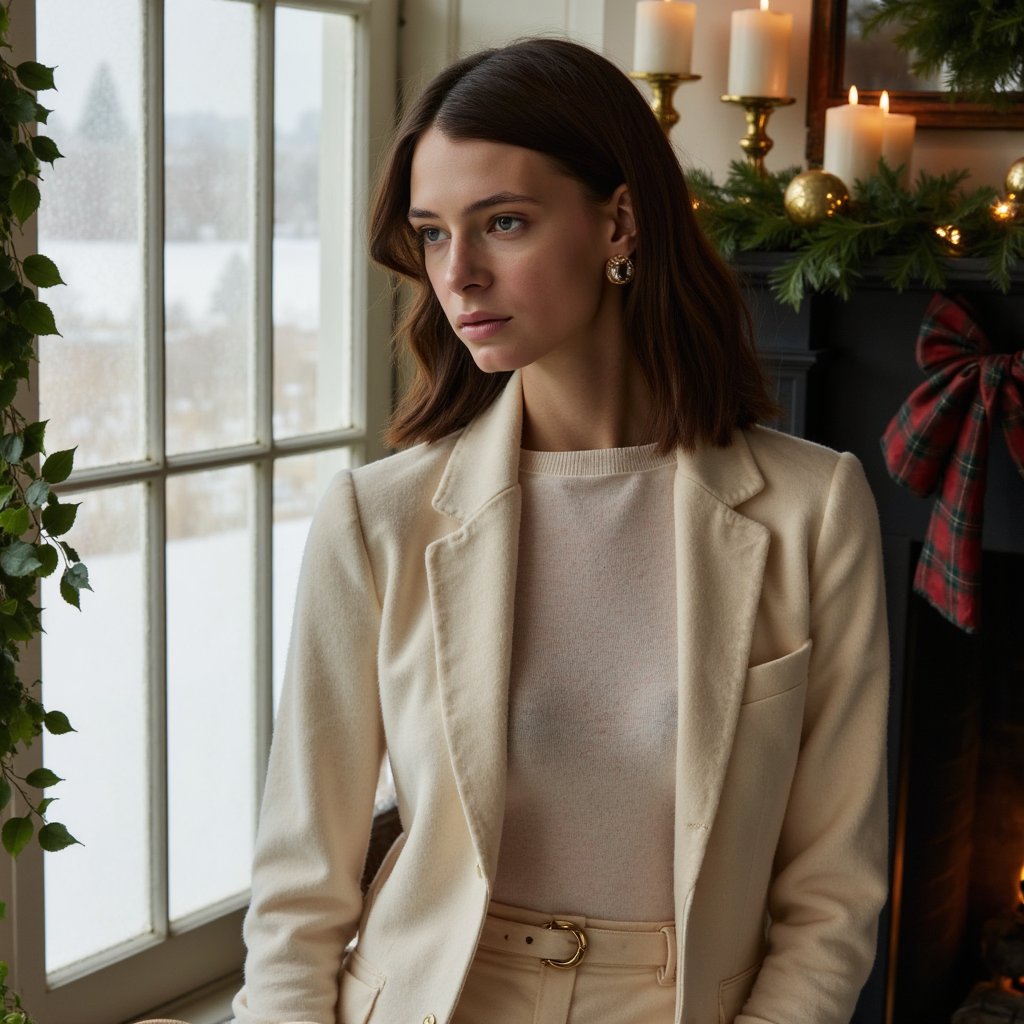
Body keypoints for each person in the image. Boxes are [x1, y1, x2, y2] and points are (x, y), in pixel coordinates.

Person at [232, 37, 889, 1024]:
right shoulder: (377, 519)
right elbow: (299, 888)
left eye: (503, 223)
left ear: (618, 219)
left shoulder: (811, 510)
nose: (460, 276)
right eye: (434, 234)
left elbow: (830, 893)